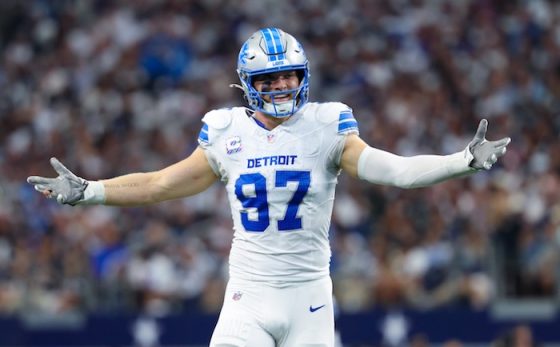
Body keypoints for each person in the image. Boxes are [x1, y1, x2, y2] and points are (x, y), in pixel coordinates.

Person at [27, 27, 511, 347]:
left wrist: (462, 161)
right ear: (248, 82)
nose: (281, 85)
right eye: (270, 77)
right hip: (249, 295)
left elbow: (395, 170)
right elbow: (159, 184)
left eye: (289, 75)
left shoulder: (328, 125)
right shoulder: (224, 131)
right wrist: (90, 190)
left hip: (309, 296)